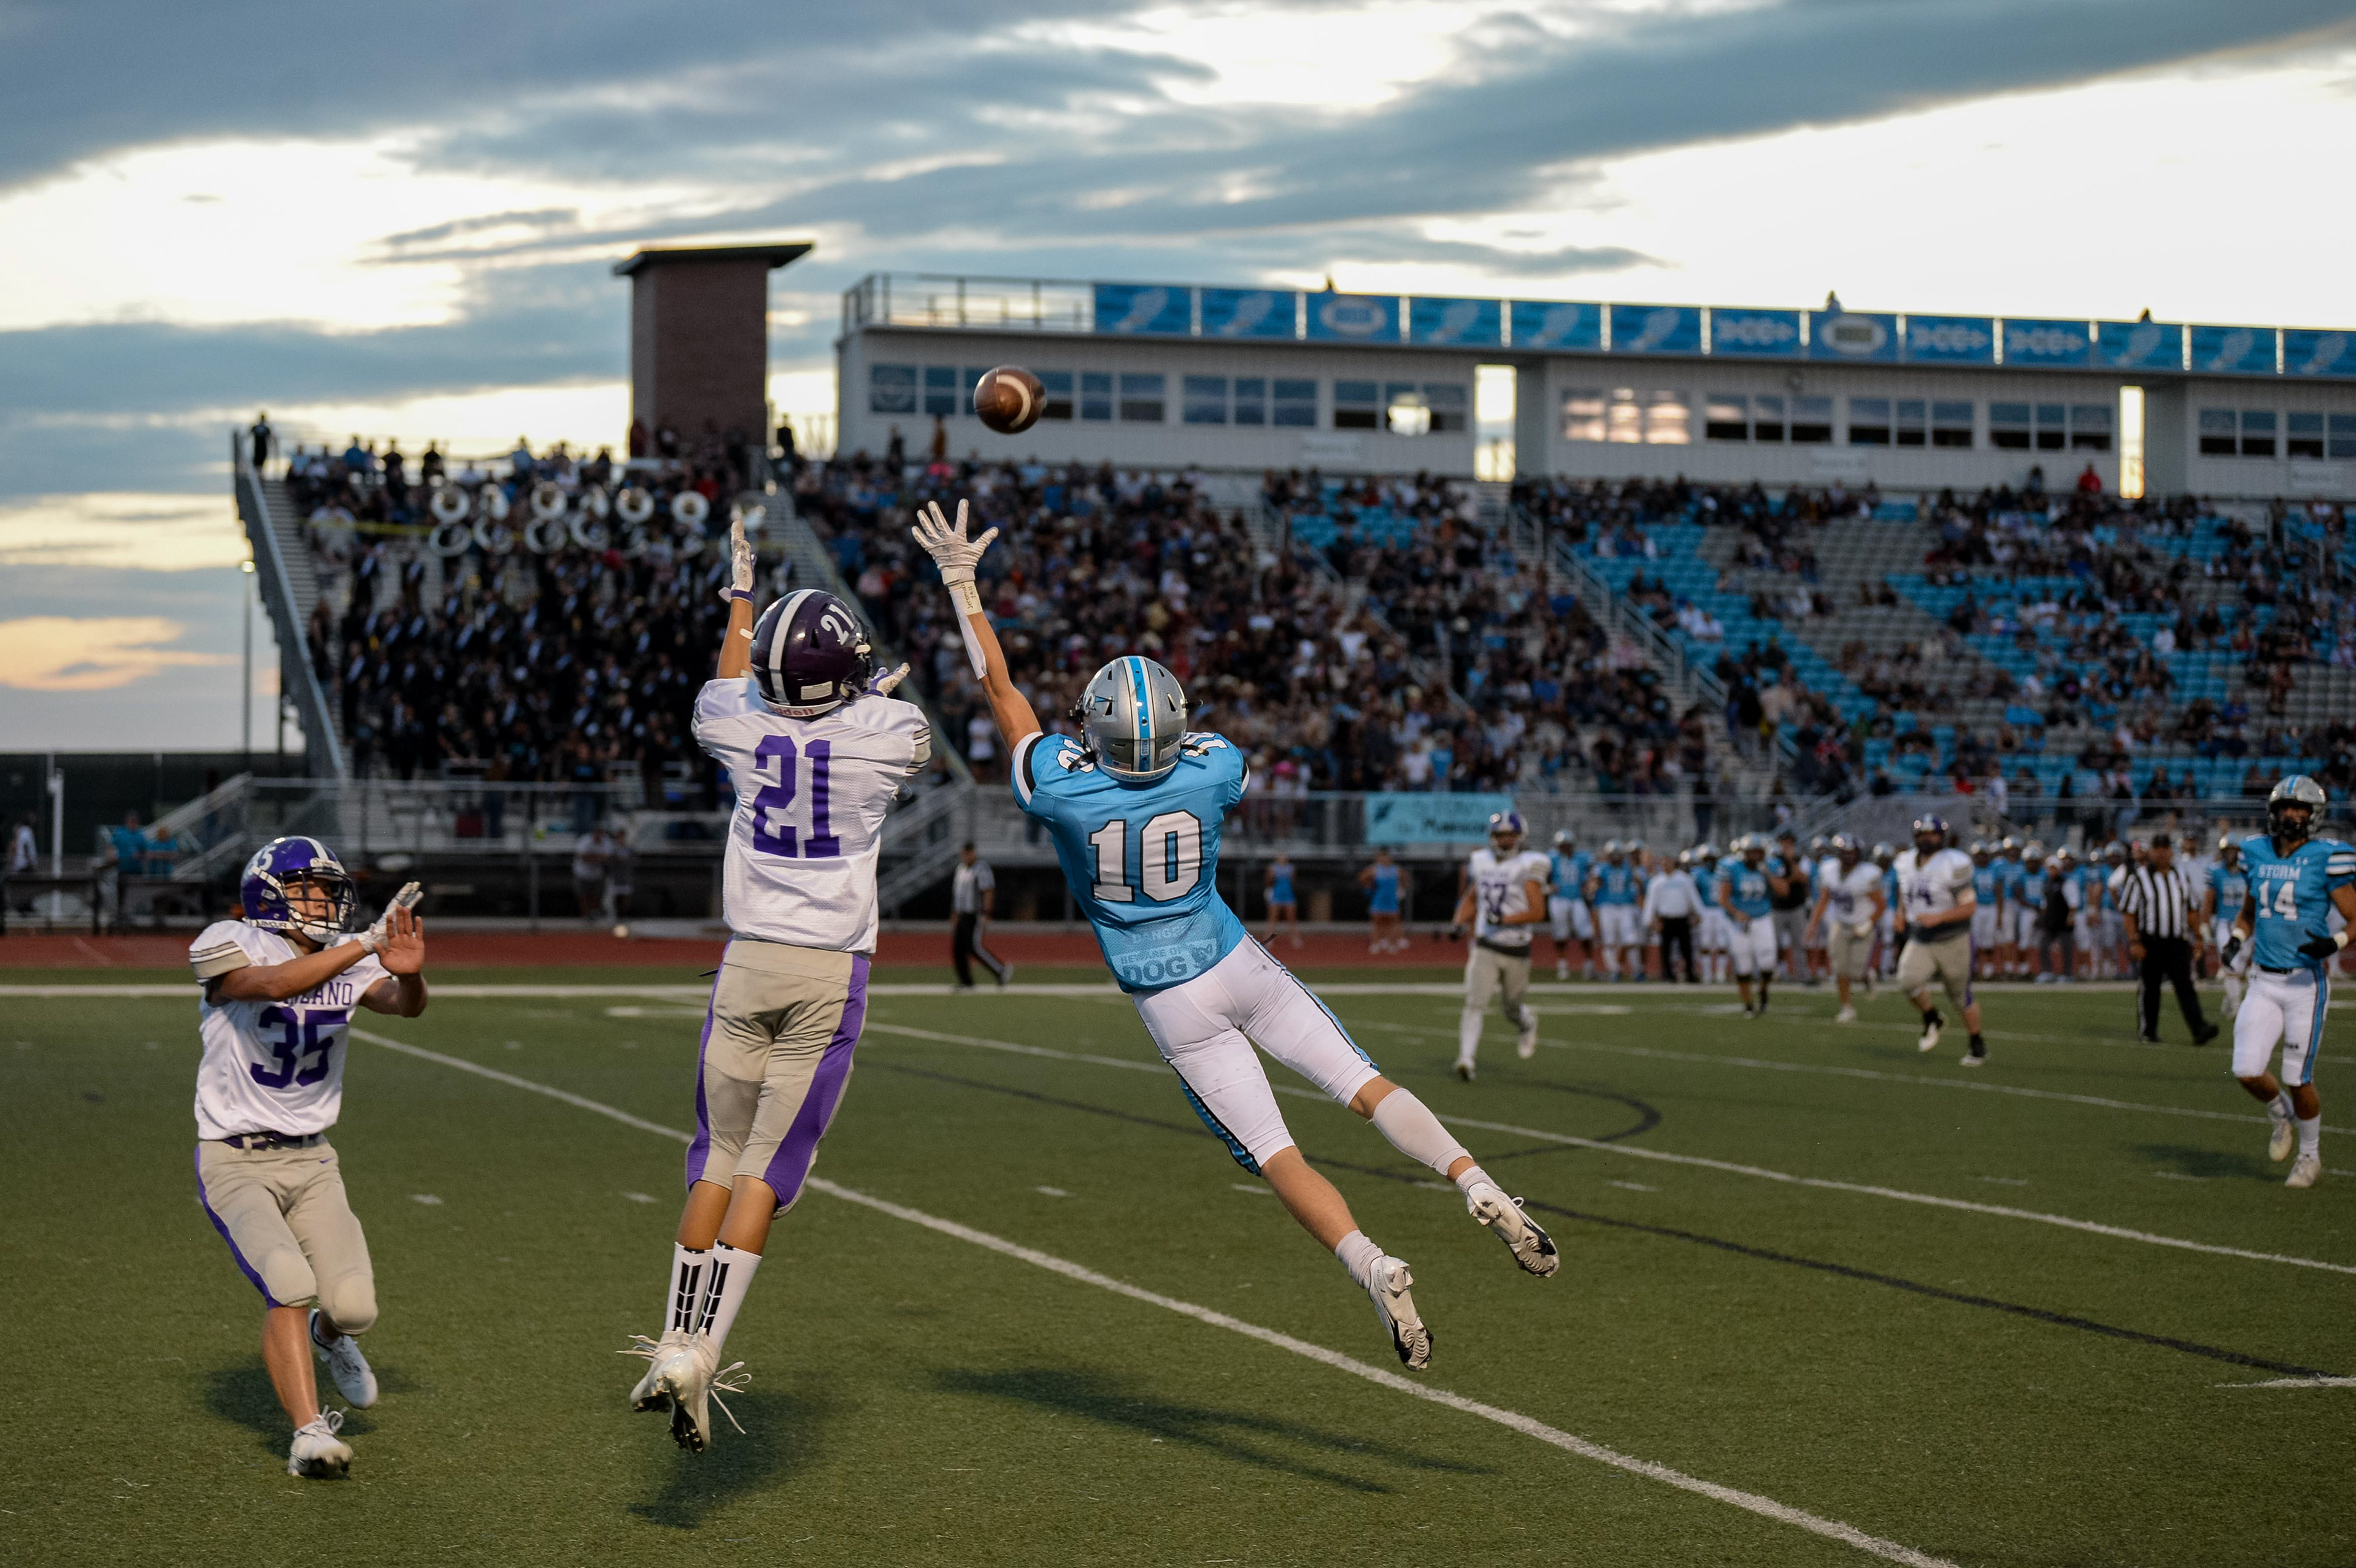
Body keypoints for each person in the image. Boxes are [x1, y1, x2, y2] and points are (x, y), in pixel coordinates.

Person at [913, 498, 1555, 1371]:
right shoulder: (1214, 770)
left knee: (1278, 1152)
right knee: (1364, 1084)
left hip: (1172, 1002)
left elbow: (1003, 694)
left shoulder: (1062, 792)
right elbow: (1197, 740)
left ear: (1094, 734)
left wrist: (963, 585)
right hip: (1239, 961)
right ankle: (1477, 1183)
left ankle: (1373, 1266)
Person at [623, 522, 930, 1453]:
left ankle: (674, 1340)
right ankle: (702, 1351)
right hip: (828, 972)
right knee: (769, 1170)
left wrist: (740, 596)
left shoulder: (732, 723)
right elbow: (862, 728)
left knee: (716, 1155)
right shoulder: (890, 730)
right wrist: (864, 697)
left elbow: (731, 687)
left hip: (745, 962)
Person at [188, 839, 426, 1479]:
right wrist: (365, 945)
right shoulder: (228, 940)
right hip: (235, 1159)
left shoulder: (343, 957)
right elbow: (267, 984)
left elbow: (405, 1005)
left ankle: (330, 1337)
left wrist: (408, 971)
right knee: (289, 1285)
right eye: (309, 887)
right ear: (270, 891)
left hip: (314, 1160)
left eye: (327, 888)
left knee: (354, 1309)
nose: (324, 899)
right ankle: (308, 1433)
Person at [2222, 777, 2356, 1189]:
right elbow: (2249, 911)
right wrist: (2236, 940)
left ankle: (2310, 1156)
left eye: (2300, 809)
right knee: (2246, 1070)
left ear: (2314, 815)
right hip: (2263, 978)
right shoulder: (2256, 851)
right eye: (2286, 808)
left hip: (2305, 984)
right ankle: (2280, 1112)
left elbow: (2355, 918)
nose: (2291, 815)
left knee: (2299, 1078)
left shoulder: (2327, 857)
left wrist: (2333, 943)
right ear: (2274, 811)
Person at [1451, 811, 1549, 1076]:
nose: (1505, 840)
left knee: (1511, 1008)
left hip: (1517, 948)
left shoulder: (1530, 864)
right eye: (1500, 834)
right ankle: (1466, 1059)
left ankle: (1527, 1022)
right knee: (1475, 1003)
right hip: (1486, 945)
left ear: (1520, 837)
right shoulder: (1481, 861)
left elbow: (1538, 912)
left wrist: (1504, 918)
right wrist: (1459, 921)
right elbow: (1473, 896)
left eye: (1510, 835)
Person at [1892, 815, 1988, 1065]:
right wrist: (1901, 913)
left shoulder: (1953, 863)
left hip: (1953, 938)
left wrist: (1940, 918)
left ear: (1941, 837)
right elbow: (1905, 891)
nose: (1928, 838)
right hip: (1921, 937)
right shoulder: (1905, 862)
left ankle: (1977, 1042)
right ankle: (1932, 1017)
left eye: (1933, 834)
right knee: (1907, 980)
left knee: (1959, 996)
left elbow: (1970, 907)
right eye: (1923, 834)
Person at [2118, 833, 2217, 1047]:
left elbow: (2192, 909)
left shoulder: (2180, 875)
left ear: (2172, 852)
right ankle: (2148, 1031)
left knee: (2186, 986)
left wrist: (2198, 936)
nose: (2162, 853)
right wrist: (2134, 941)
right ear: (2151, 851)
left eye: (2165, 848)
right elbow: (2129, 913)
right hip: (2151, 941)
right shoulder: (2139, 877)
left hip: (2177, 941)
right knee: (2150, 987)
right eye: (2158, 848)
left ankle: (2199, 1028)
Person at [1808, 834, 1885, 1022]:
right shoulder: (1828, 870)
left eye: (1853, 853)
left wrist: (1868, 924)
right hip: (1840, 923)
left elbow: (1881, 905)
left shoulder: (1868, 874)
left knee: (1857, 973)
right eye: (1846, 853)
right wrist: (1813, 923)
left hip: (1863, 924)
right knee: (1840, 969)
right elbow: (1824, 899)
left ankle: (1867, 977)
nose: (1849, 857)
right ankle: (1847, 1007)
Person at [1720, 836, 1788, 1018]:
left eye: (1759, 852)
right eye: (1752, 852)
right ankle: (1748, 1004)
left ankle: (1763, 990)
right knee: (1744, 964)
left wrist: (1767, 873)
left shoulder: (1771, 865)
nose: (1756, 856)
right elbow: (1723, 898)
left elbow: (1783, 891)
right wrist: (1736, 913)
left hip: (1763, 918)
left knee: (1768, 962)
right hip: (1739, 921)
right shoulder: (1731, 867)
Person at [951, 842, 1011, 988]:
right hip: (963, 914)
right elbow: (958, 895)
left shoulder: (981, 869)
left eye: (967, 854)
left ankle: (1001, 970)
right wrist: (955, 914)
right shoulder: (961, 870)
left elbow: (988, 891)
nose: (964, 857)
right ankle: (966, 981)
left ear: (972, 853)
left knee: (974, 947)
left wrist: (987, 913)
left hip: (975, 915)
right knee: (958, 947)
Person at [2204, 833, 2252, 1018]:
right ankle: (2236, 1004)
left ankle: (2230, 997)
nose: (2231, 854)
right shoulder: (2215, 871)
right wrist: (2205, 924)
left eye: (2233, 850)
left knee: (2241, 966)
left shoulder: (2247, 871)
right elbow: (2209, 900)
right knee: (2230, 964)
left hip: (2245, 923)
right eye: (2227, 850)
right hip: (2225, 922)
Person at [1644, 849, 1704, 984]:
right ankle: (1668, 974)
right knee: (1666, 950)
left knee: (1687, 949)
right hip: (1666, 919)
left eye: (1668, 862)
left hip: (1682, 918)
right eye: (1664, 863)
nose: (1666, 865)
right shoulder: (1657, 882)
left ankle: (1690, 973)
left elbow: (1693, 898)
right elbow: (1651, 902)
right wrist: (1650, 920)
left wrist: (1699, 914)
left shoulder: (1683, 879)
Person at [1586, 840, 1641, 982]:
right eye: (1613, 855)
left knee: (1631, 940)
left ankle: (1636, 970)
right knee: (1609, 941)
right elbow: (1594, 884)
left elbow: (1638, 885)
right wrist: (1593, 886)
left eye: (1618, 854)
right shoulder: (1602, 868)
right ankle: (1614, 971)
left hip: (1626, 907)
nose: (1616, 857)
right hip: (1607, 907)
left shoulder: (1628, 868)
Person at [1544, 829, 1593, 980]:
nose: (1565, 848)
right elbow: (1541, 874)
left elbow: (1593, 872)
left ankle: (1588, 966)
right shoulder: (1552, 858)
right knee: (1560, 934)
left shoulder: (1581, 858)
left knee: (1586, 933)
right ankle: (1562, 966)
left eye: (1567, 845)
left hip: (1577, 898)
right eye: (1562, 845)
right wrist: (1547, 886)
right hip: (1559, 899)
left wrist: (1589, 884)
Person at [1769, 829, 1811, 983]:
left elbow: (1801, 877)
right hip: (1777, 907)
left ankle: (1801, 975)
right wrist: (1785, 881)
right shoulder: (1774, 859)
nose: (1786, 846)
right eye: (1784, 843)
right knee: (1775, 943)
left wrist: (1790, 861)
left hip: (1796, 906)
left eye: (1789, 843)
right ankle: (1776, 973)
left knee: (1799, 943)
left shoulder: (1800, 859)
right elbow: (1776, 883)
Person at [1692, 842, 1728, 985]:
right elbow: (1694, 895)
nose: (1710, 862)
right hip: (1705, 910)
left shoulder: (1724, 871)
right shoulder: (1697, 874)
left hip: (1721, 910)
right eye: (1707, 859)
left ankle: (1721, 974)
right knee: (1705, 944)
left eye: (1712, 859)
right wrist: (1696, 912)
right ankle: (1707, 974)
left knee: (1722, 943)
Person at [1359, 847, 1406, 955]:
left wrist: (1401, 889)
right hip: (1379, 900)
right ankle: (1375, 944)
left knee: (1393, 924)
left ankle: (1392, 944)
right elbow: (1362, 878)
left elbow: (1405, 878)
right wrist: (1369, 885)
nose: (1385, 860)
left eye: (1387, 858)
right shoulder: (1374, 870)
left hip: (1392, 901)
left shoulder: (1396, 870)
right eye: (1383, 858)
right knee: (1377, 924)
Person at [1968, 841, 2004, 980]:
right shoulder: (1972, 871)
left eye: (1983, 855)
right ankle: (1976, 968)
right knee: (1976, 939)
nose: (1981, 858)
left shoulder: (1994, 870)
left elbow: (1999, 892)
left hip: (1991, 907)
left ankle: (1989, 970)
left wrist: (2000, 913)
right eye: (1979, 855)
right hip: (1977, 908)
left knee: (1989, 939)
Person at [572, 823, 612, 924]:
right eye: (596, 832)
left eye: (600, 833)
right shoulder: (585, 840)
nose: (598, 835)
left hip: (597, 874)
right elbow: (582, 856)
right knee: (584, 895)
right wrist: (597, 857)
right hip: (583, 873)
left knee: (597, 895)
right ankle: (586, 916)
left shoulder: (606, 841)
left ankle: (594, 914)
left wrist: (591, 857)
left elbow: (607, 857)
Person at [1263, 853, 1301, 949]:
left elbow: (1293, 881)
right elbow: (1268, 881)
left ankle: (1295, 939)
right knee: (1272, 919)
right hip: (1277, 895)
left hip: (1288, 895)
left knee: (1292, 919)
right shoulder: (1272, 868)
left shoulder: (1291, 868)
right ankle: (1269, 939)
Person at [606, 823, 635, 937]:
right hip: (616, 878)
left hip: (626, 878)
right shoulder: (614, 849)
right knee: (617, 898)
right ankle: (618, 919)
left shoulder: (629, 849)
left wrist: (626, 860)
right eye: (619, 837)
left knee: (626, 898)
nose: (621, 839)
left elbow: (634, 860)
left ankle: (625, 917)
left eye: (623, 836)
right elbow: (609, 862)